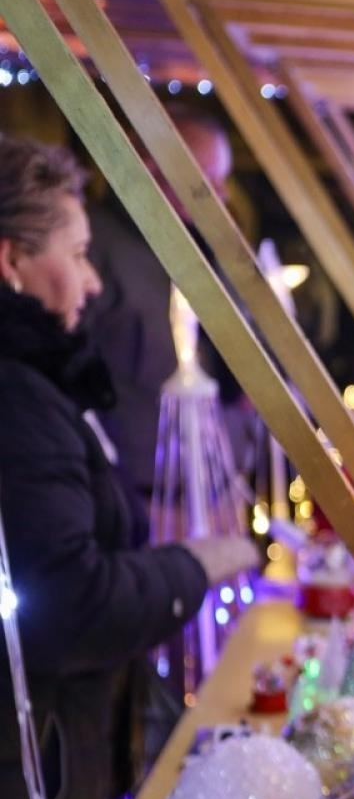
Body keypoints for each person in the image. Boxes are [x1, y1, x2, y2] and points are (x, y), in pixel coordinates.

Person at [0, 137, 257, 799]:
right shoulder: (18, 397)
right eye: (77, 256)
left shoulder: (37, 384)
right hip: (25, 793)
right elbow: (68, 602)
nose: (95, 281)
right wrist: (196, 566)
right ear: (11, 263)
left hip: (44, 773)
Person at [81, 104, 235, 522]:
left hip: (203, 486)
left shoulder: (193, 247)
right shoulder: (93, 244)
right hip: (134, 494)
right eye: (204, 181)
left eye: (221, 183)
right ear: (148, 165)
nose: (218, 197)